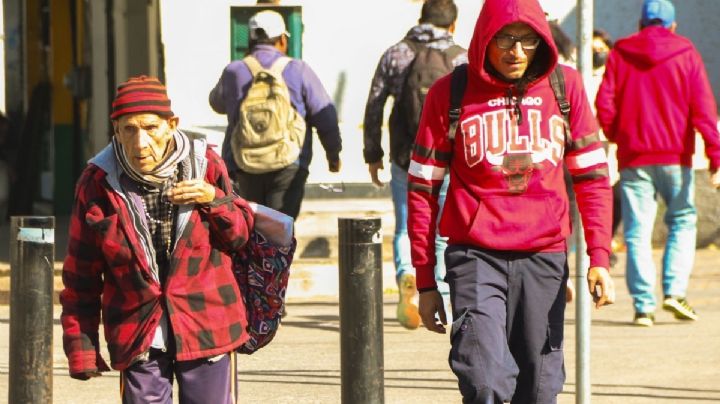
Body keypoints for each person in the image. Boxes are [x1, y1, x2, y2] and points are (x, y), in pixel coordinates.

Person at [408, 0, 615, 401]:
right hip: (474, 257)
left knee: (539, 387)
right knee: (484, 380)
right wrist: (425, 279)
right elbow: (422, 189)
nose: (516, 51)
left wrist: (600, 257)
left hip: (545, 258)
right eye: (505, 38)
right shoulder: (450, 92)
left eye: (528, 40)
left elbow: (592, 179)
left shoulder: (564, 86)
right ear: (485, 38)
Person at [60, 76, 255, 403]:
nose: (140, 143)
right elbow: (81, 276)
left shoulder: (205, 166)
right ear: (116, 130)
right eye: (129, 130)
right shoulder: (97, 183)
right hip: (138, 332)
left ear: (171, 125)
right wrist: (82, 348)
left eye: (150, 128)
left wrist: (214, 198)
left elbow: (240, 236)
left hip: (207, 324)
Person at [596, 0, 720, 327]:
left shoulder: (620, 52)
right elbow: (704, 109)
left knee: (637, 231)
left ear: (640, 25)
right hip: (675, 156)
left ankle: (643, 307)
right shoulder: (685, 52)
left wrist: (618, 135)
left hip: (634, 157)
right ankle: (674, 292)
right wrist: (714, 155)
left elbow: (604, 103)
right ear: (673, 26)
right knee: (681, 220)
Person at [363, 0, 467, 329]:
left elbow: (375, 102)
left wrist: (372, 153)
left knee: (406, 224)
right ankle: (442, 297)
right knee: (440, 228)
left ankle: (407, 276)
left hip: (405, 156)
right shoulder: (461, 58)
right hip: (448, 159)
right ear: (453, 25)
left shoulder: (396, 53)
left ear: (420, 19)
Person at [209, 9, 342, 221]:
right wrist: (333, 154)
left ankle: (255, 255)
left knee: (250, 228)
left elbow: (216, 103)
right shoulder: (298, 70)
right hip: (288, 164)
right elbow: (325, 115)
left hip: (243, 163)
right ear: (282, 39)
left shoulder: (233, 71)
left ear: (251, 38)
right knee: (280, 229)